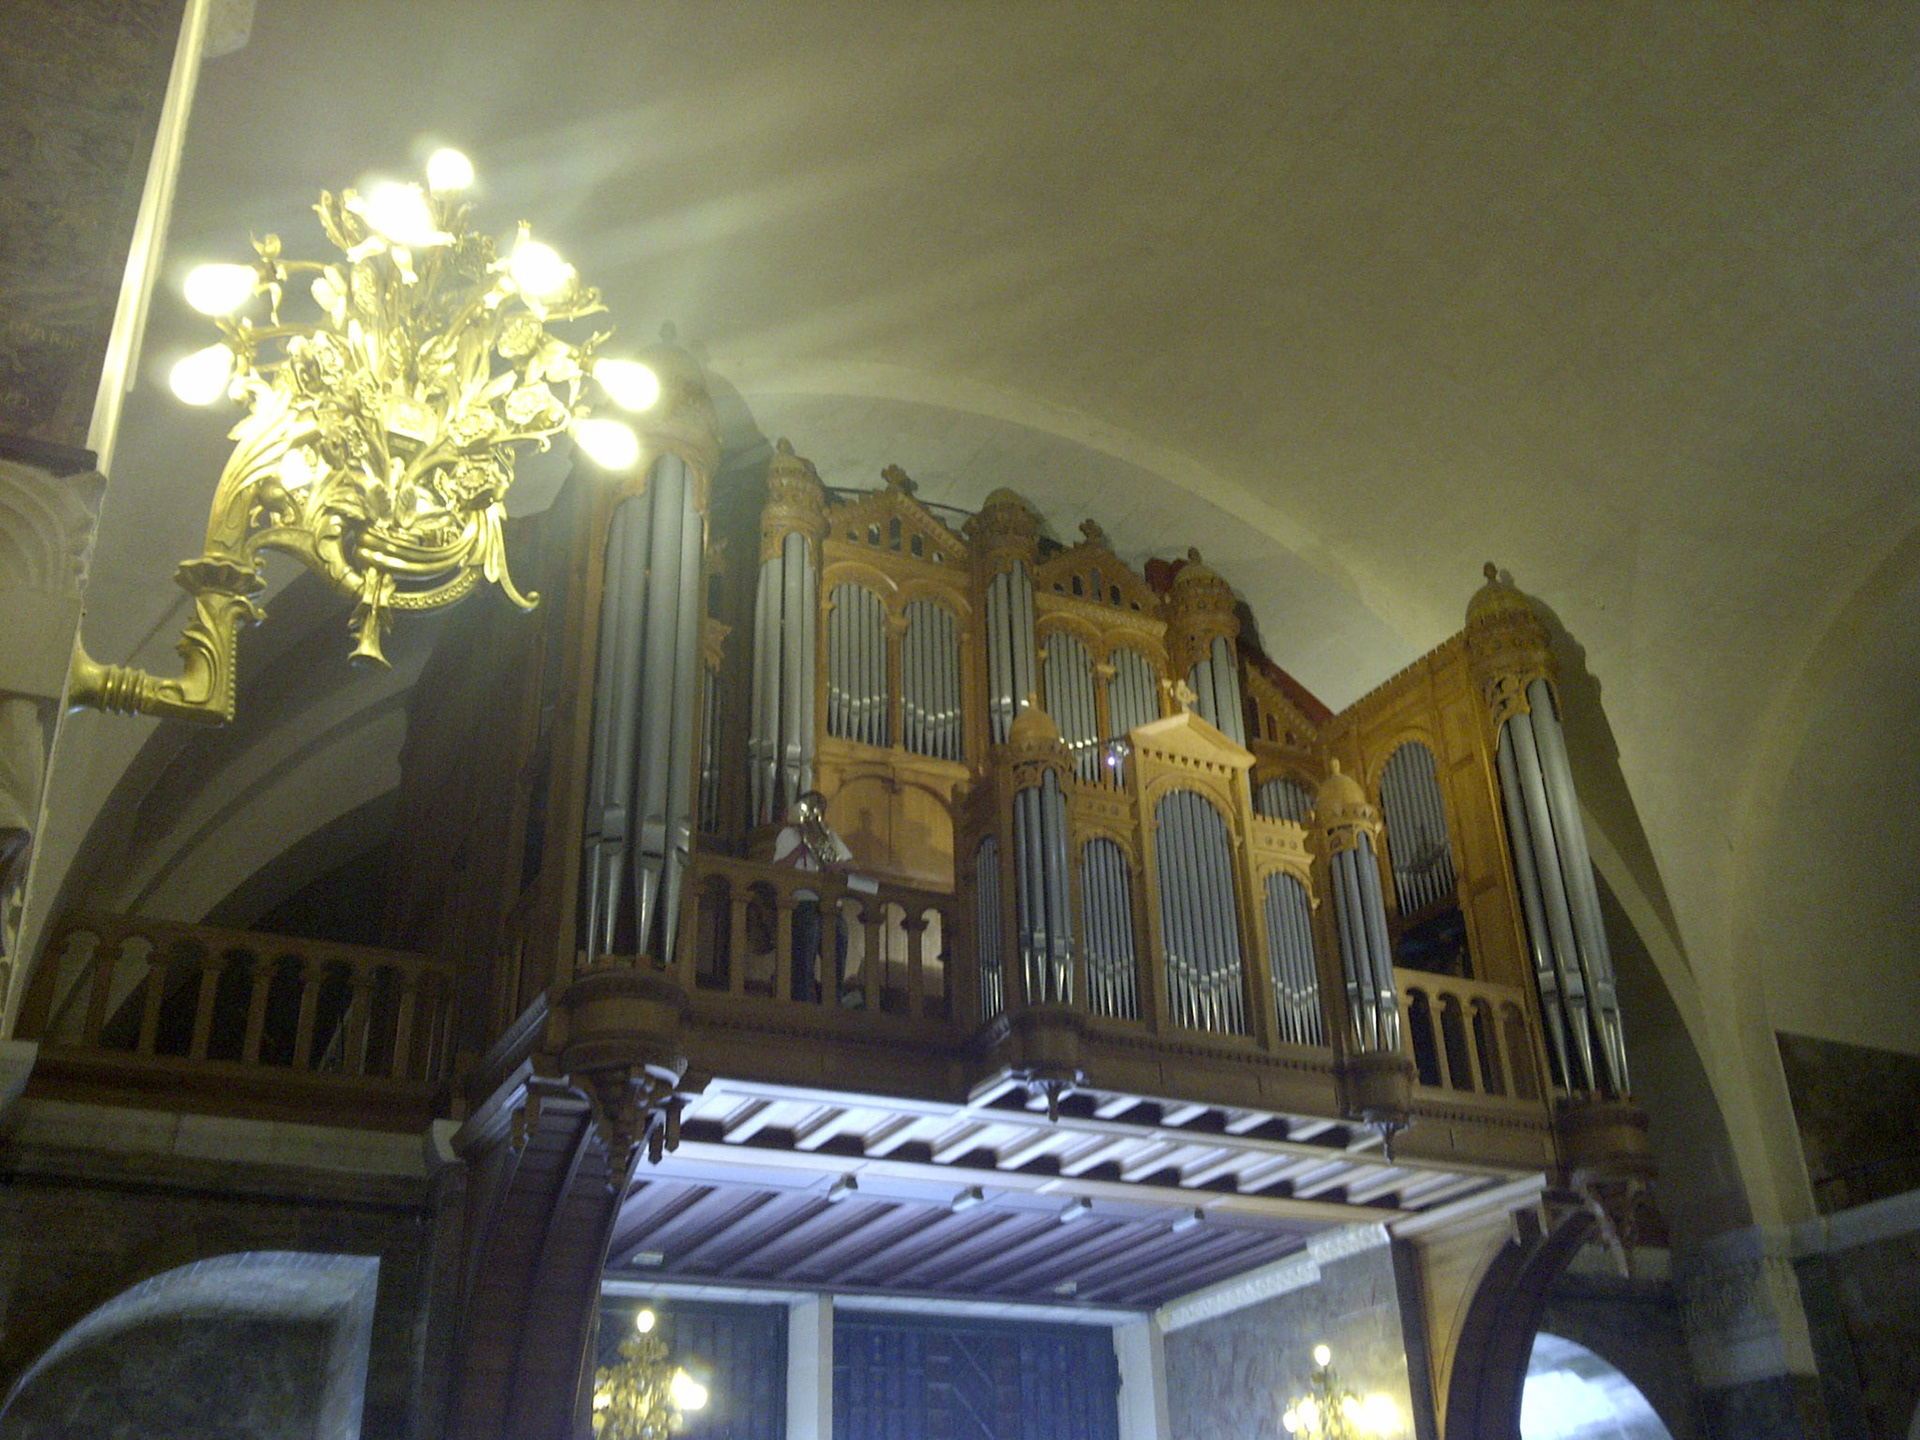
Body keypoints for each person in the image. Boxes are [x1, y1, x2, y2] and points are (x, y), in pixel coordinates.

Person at [772, 791, 859, 1002]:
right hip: (802, 902)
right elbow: (776, 870)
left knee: (840, 933)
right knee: (808, 935)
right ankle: (802, 999)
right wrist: (800, 850)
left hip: (830, 905)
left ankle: (833, 1000)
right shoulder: (788, 835)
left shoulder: (829, 837)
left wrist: (839, 865)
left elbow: (854, 867)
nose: (815, 815)